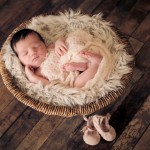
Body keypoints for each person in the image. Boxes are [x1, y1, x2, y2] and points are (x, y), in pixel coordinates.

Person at [10, 29, 103, 88]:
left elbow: (63, 37)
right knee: (78, 84)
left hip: (75, 56)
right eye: (25, 53)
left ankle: (84, 64)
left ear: (44, 44)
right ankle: (95, 64)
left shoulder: (50, 48)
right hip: (72, 77)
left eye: (37, 46)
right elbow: (48, 86)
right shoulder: (37, 73)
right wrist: (32, 77)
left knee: (72, 40)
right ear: (20, 61)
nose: (32, 52)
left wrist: (59, 41)